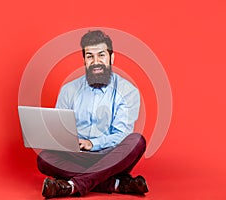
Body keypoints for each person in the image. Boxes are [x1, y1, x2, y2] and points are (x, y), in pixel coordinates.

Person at [37, 30, 149, 198]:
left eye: (101, 55)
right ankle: (117, 184)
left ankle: (72, 186)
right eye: (90, 56)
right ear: (84, 60)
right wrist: (58, 139)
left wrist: (92, 143)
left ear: (111, 58)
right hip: (78, 157)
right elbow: (60, 131)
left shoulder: (128, 91)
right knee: (44, 158)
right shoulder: (68, 90)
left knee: (136, 141)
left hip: (112, 156)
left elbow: (121, 135)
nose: (96, 62)